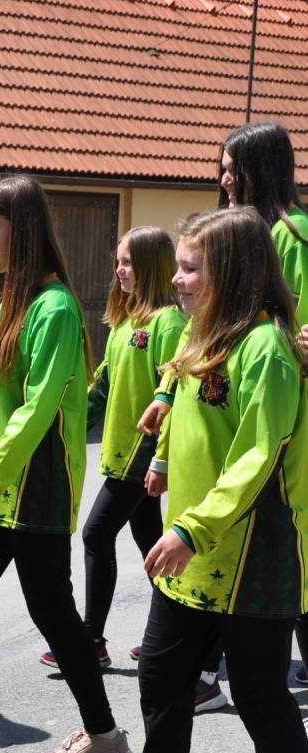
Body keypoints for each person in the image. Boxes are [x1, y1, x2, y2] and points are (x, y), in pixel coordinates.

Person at [88, 208, 308, 753]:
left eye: (191, 269)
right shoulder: (201, 330)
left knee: (259, 695)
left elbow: (259, 454)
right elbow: (181, 382)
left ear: (233, 273)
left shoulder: (264, 349)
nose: (177, 281)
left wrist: (191, 527)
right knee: (160, 674)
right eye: (179, 267)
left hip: (250, 549)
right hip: (197, 549)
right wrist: (160, 438)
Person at [0, 175, 136, 753]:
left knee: (37, 613)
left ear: (24, 232)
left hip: (32, 488)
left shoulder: (55, 307)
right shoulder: (2, 307)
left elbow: (39, 408)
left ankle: (104, 738)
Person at [141, 122, 308, 686]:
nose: (224, 178)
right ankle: (207, 674)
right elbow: (197, 339)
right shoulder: (219, 236)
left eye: (234, 167)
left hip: (276, 415)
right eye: (222, 167)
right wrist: (166, 396)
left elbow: (291, 332)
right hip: (215, 447)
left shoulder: (291, 236)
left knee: (277, 614)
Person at [66, 227, 186, 673]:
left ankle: (91, 641)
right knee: (151, 544)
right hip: (118, 454)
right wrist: (65, 427)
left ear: (151, 265)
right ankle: (178, 635)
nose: (119, 270)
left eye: (128, 262)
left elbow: (173, 395)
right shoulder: (124, 323)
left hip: (141, 456)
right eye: (117, 261)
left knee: (96, 534)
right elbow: (102, 387)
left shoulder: (168, 323)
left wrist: (159, 458)